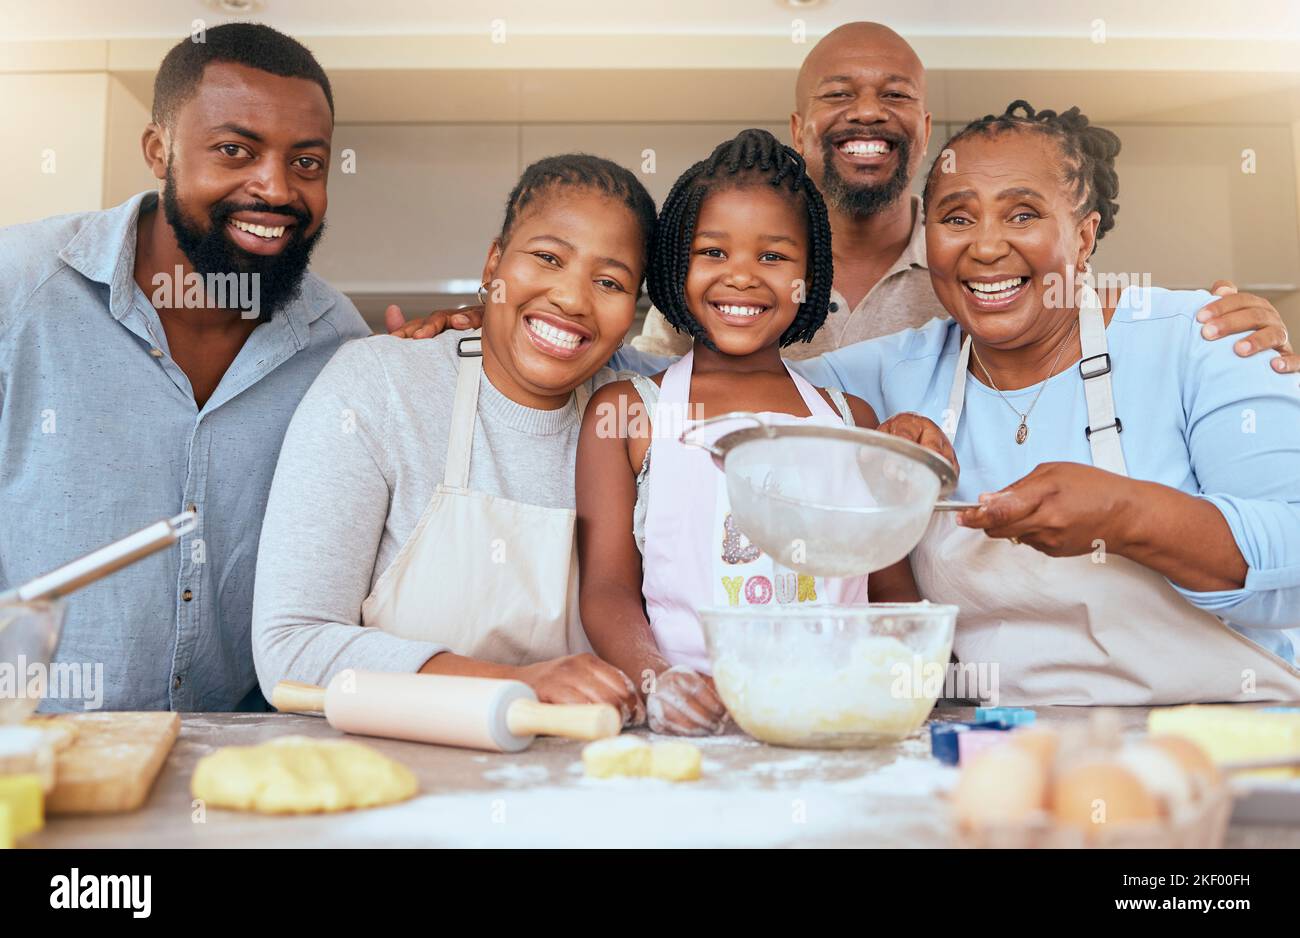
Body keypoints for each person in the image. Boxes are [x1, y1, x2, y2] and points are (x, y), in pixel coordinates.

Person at [390, 22, 1299, 369]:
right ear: (799, 127)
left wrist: (1224, 328)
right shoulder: (719, 293)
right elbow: (609, 349)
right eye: (838, 96)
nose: (867, 113)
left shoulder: (976, 277)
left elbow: (1089, 322)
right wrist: (494, 321)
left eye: (894, 95)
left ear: (924, 126)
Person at [794, 101, 1300, 704]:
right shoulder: (884, 376)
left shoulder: (1200, 335)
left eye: (1023, 214)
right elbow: (698, 394)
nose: (985, 248)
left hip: (1227, 739)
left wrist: (1123, 514)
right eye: (957, 219)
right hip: (1013, 747)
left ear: (1084, 235)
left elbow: (1290, 564)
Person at [0, 24, 371, 711]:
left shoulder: (337, 340)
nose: (276, 188)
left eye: (307, 163)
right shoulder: (17, 290)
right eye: (235, 150)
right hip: (31, 760)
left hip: (245, 763)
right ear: (158, 149)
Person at [251, 155, 654, 722]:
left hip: (580, 788)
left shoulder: (640, 416)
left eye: (610, 282)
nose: (572, 298)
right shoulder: (378, 385)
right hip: (397, 779)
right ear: (494, 264)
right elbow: (290, 647)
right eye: (546, 258)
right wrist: (517, 687)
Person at [576, 130, 953, 735]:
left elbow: (889, 589)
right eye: (713, 252)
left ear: (813, 273)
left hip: (837, 719)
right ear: (677, 261)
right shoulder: (629, 414)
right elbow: (606, 590)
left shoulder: (849, 419)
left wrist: (923, 672)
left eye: (773, 257)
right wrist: (657, 680)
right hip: (693, 728)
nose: (743, 278)